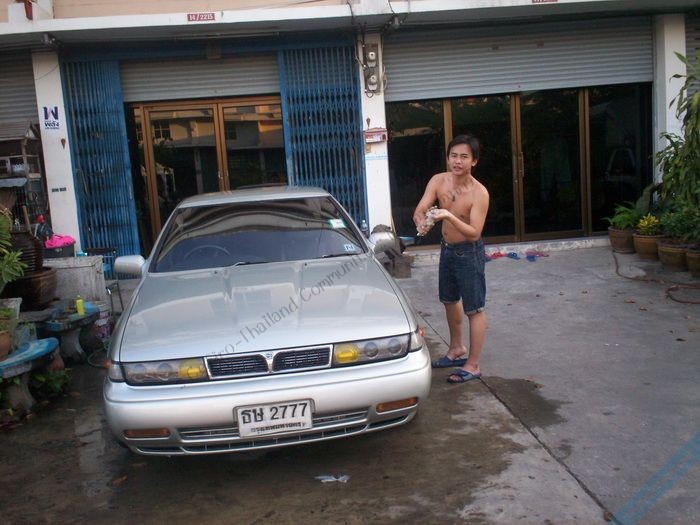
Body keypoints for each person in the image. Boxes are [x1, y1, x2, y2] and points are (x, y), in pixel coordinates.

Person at [413, 134, 490, 383]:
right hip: (447, 249)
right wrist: (421, 220)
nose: (457, 161)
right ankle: (456, 349)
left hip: (469, 252)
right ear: (448, 158)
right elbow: (421, 208)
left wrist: (448, 216)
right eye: (453, 156)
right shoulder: (438, 180)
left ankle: (473, 365)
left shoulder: (479, 193)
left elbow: (474, 232)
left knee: (474, 309)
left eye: (464, 157)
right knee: (448, 300)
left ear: (474, 161)